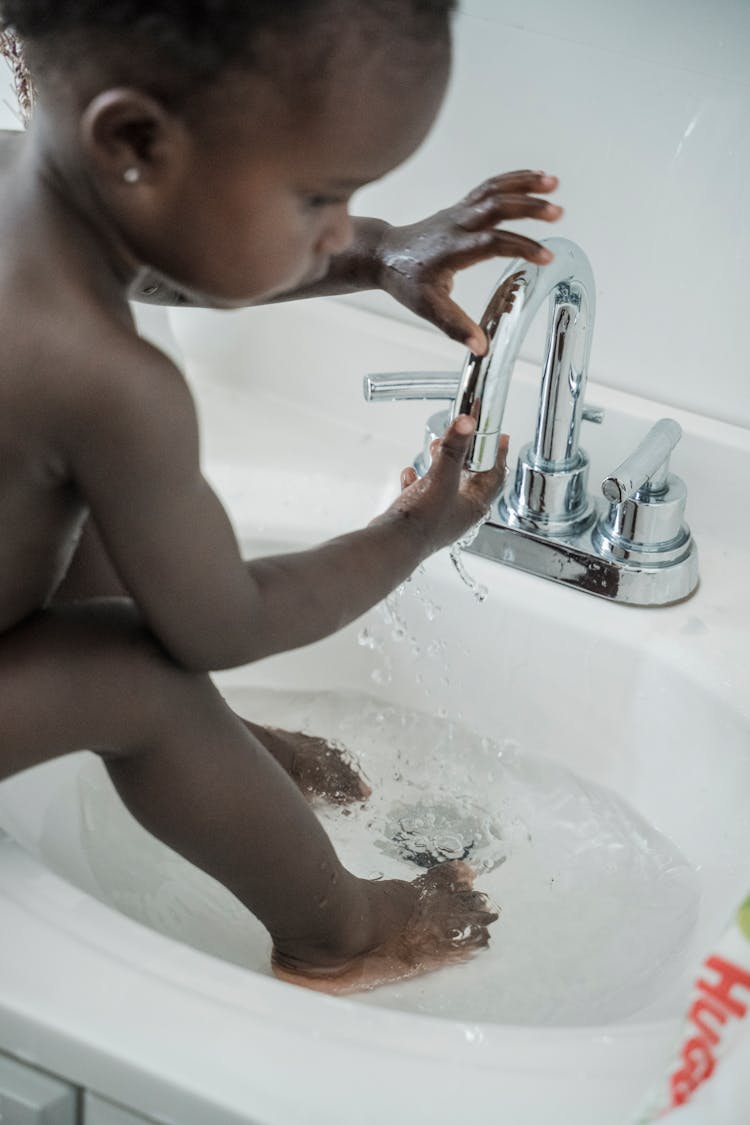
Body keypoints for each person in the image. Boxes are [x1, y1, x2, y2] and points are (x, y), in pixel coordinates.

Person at [0, 0, 562, 994]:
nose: (336, 228)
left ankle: (217, 764)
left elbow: (144, 259)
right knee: (141, 678)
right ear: (133, 141)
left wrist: (379, 252)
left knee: (89, 530)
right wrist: (414, 529)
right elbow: (223, 622)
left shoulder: (21, 184)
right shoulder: (108, 384)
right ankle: (342, 932)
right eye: (318, 202)